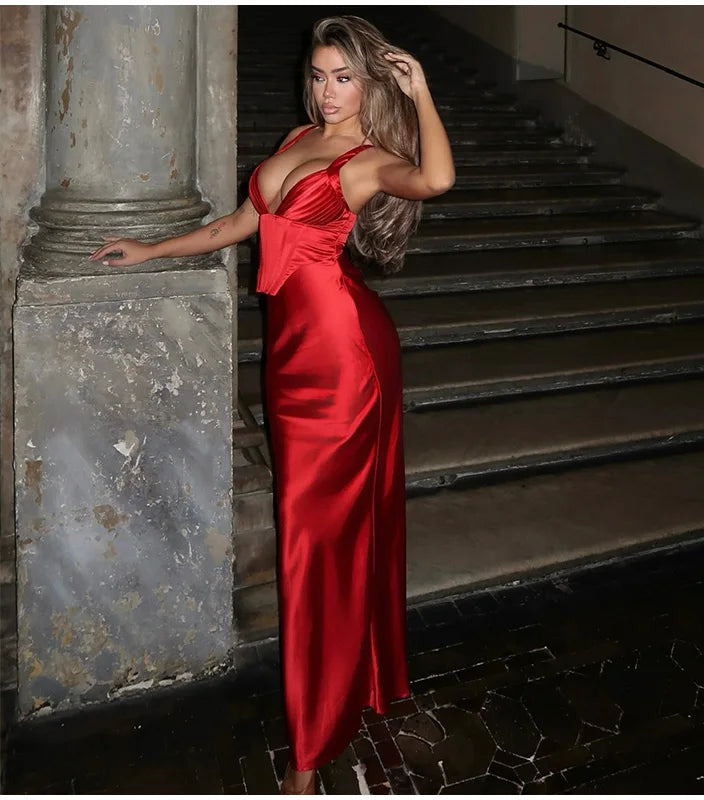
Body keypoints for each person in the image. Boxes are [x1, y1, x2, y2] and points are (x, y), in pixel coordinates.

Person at [90, 15, 455, 795]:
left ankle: (309, 755)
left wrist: (420, 91)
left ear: (371, 84)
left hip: (346, 361)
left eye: (344, 77)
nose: (328, 92)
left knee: (311, 546)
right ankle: (352, 680)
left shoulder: (366, 160)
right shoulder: (295, 139)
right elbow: (238, 225)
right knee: (318, 536)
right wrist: (151, 251)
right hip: (290, 359)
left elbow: (436, 181)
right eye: (319, 76)